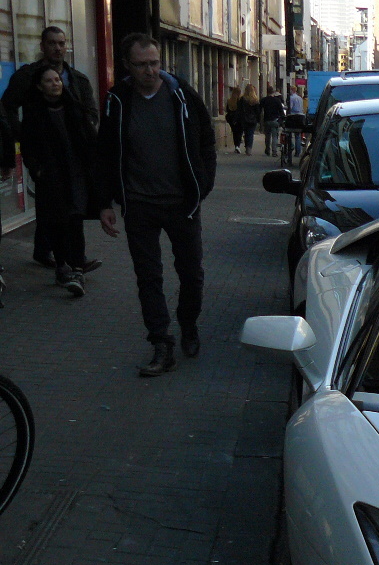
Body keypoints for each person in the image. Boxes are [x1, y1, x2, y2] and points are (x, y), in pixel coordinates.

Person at [96, 33, 217, 377]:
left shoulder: (181, 95)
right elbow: (105, 153)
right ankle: (161, 343)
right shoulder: (117, 100)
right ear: (127, 66)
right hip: (139, 205)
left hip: (182, 204)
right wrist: (103, 202)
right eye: (142, 65)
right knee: (148, 277)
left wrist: (203, 184)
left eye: (155, 63)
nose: (151, 71)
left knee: (191, 273)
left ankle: (188, 324)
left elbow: (206, 137)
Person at [1, 25, 99, 269]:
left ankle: (55, 255)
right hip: (44, 154)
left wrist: (86, 136)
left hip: (72, 154)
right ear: (42, 46)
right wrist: (21, 135)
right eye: (52, 43)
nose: (58, 48)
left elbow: (91, 112)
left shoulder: (76, 79)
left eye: (61, 43)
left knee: (68, 207)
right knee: (54, 206)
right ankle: (71, 263)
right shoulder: (29, 77)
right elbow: (7, 107)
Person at [20, 67, 97, 297]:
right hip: (52, 178)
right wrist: (38, 171)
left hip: (76, 173)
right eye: (49, 81)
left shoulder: (73, 107)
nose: (55, 84)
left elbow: (88, 136)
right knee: (57, 221)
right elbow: (28, 147)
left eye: (57, 79)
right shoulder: (35, 113)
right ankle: (63, 265)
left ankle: (75, 268)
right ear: (39, 86)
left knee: (76, 219)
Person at [260, 83, 284, 156]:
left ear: (267, 92)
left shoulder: (264, 100)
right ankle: (274, 152)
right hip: (275, 120)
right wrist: (281, 120)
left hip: (267, 120)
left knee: (267, 136)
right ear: (273, 92)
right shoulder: (277, 100)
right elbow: (281, 112)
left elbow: (260, 110)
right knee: (274, 137)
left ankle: (267, 149)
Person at [239, 83, 261, 154]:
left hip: (244, 119)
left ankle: (247, 146)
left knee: (246, 133)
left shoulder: (242, 99)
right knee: (250, 133)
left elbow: (240, 110)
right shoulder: (255, 100)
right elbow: (258, 111)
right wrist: (258, 120)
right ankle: (249, 148)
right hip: (253, 119)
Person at [287, 85, 304, 157]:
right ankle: (298, 152)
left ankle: (291, 147)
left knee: (289, 133)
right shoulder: (300, 98)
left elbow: (290, 107)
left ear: (292, 90)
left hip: (293, 116)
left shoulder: (291, 98)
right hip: (300, 116)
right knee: (298, 135)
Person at [226, 84, 243, 153]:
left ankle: (236, 145)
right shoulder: (240, 100)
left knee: (234, 132)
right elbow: (241, 110)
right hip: (239, 118)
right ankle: (237, 146)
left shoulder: (229, 100)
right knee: (239, 132)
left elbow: (227, 109)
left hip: (231, 119)